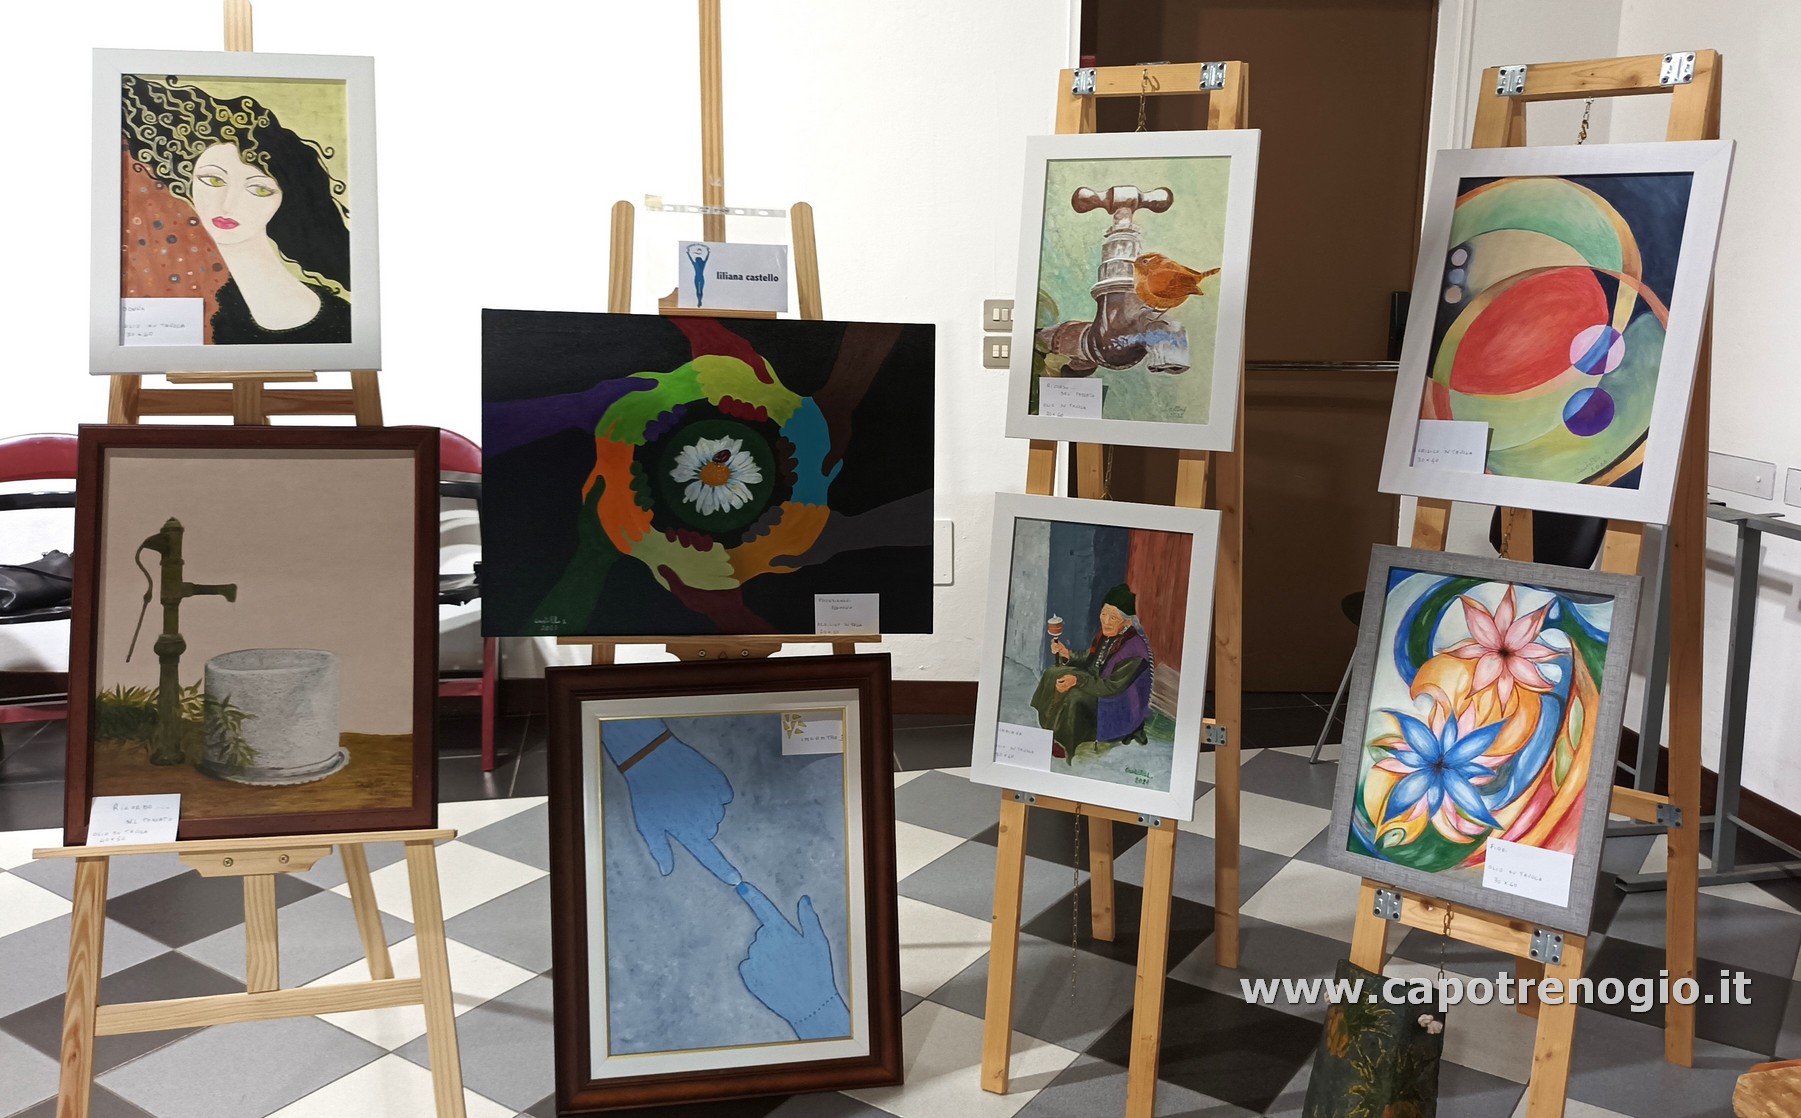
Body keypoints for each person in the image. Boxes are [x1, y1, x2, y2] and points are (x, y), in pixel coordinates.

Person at [121, 75, 351, 344]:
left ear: (286, 200)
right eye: (213, 180)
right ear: (186, 179)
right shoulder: (183, 286)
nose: (228, 205)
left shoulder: (338, 321)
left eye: (259, 189)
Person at [1031, 584, 1154, 760]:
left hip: (1119, 702)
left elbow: (1112, 688)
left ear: (1127, 622)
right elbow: (1092, 658)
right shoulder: (1109, 633)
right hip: (1097, 681)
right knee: (1053, 673)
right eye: (1104, 614)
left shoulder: (1134, 650)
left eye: (1113, 617)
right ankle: (1049, 726)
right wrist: (1067, 654)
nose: (1106, 621)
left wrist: (1077, 680)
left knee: (1075, 696)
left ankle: (1066, 743)